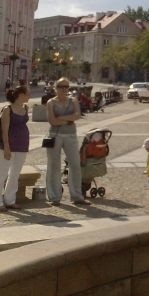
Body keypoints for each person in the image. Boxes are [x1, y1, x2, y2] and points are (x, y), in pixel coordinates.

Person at [45, 77, 90, 206]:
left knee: (75, 165)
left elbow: (77, 115)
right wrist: (69, 120)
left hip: (70, 135)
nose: (64, 89)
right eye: (61, 86)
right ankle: (54, 196)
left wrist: (61, 118)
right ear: (56, 88)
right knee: (54, 165)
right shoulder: (51, 102)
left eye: (66, 86)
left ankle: (77, 195)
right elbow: (52, 121)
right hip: (55, 136)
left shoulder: (73, 100)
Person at [0, 86, 30, 210]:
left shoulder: (26, 108)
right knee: (2, 173)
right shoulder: (8, 109)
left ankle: (10, 200)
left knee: (15, 174)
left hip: (22, 145)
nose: (29, 96)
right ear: (21, 95)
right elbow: (4, 130)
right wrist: (7, 147)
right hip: (8, 145)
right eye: (28, 93)